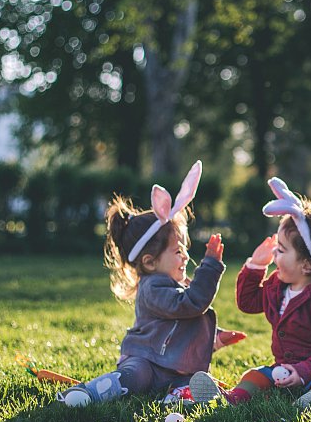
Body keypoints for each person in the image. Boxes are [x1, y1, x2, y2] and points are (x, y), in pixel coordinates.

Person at [59, 161, 243, 406]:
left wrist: (216, 338)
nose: (186, 257)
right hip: (146, 360)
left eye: (185, 249)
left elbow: (184, 324)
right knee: (135, 377)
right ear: (149, 261)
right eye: (177, 251)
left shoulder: (174, 285)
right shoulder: (153, 288)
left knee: (189, 381)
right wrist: (209, 267)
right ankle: (90, 393)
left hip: (173, 367)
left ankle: (178, 397)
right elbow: (191, 305)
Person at [188, 177, 311, 409]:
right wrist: (255, 267)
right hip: (283, 369)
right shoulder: (277, 286)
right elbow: (247, 302)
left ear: (307, 265)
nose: (275, 256)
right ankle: (231, 398)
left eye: (281, 250)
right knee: (254, 375)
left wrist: (302, 371)